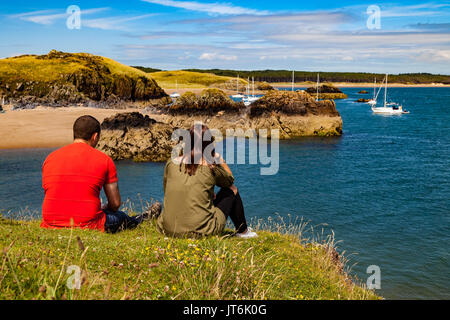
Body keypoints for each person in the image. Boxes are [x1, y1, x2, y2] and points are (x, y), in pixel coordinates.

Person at [41, 115, 160, 233]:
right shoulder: (104, 160)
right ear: (95, 136)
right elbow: (115, 204)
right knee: (121, 217)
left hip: (51, 222)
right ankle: (142, 218)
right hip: (89, 223)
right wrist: (105, 208)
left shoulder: (50, 158)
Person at [157, 124, 257, 239]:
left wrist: (207, 193)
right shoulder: (210, 168)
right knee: (232, 189)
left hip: (168, 228)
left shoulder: (172, 162)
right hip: (201, 231)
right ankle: (243, 232)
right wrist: (220, 160)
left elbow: (167, 191)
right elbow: (230, 180)